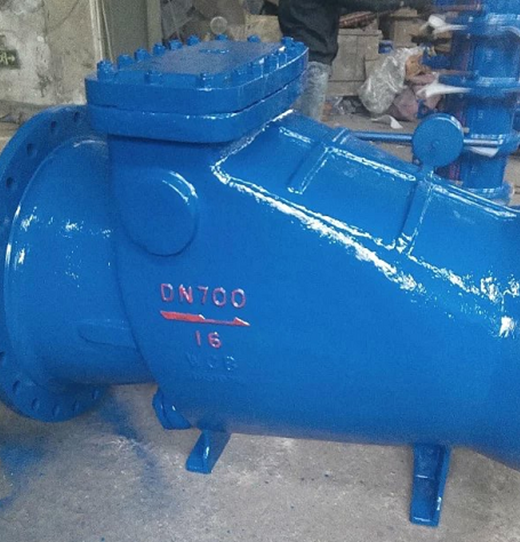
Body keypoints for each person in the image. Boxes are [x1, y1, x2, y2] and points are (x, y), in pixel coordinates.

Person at [278, 0, 431, 119]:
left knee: (298, 124)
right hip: (312, 60)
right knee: (306, 129)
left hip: (302, 57)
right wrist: (401, 2)